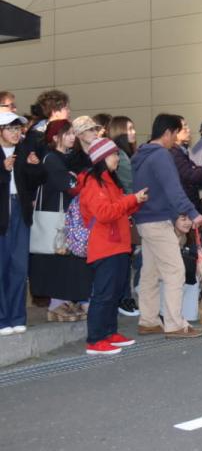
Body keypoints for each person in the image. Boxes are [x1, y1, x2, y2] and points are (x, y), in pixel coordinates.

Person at [131, 114, 202, 338]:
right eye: (175, 133)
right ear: (167, 132)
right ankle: (175, 324)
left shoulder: (141, 155)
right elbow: (173, 189)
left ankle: (148, 320)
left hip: (145, 219)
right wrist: (193, 213)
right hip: (158, 220)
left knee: (150, 272)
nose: (176, 138)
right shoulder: (161, 156)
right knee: (175, 271)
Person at [78, 138, 148, 354]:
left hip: (117, 245)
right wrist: (131, 200)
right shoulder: (93, 182)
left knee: (114, 292)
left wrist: (135, 202)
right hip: (104, 246)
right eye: (113, 155)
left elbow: (118, 210)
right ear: (101, 158)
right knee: (104, 294)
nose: (117, 158)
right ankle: (95, 339)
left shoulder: (109, 180)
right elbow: (104, 213)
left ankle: (109, 333)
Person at [29, 119, 90, 323]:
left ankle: (64, 301)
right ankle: (57, 303)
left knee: (66, 261)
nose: (73, 137)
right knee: (57, 260)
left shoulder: (68, 158)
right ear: (55, 137)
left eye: (74, 133)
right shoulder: (51, 159)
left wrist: (75, 177)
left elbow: (75, 180)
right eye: (68, 133)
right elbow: (68, 183)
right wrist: (76, 178)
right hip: (56, 217)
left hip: (66, 217)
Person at [0, 112, 31, 335]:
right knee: (2, 267)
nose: (15, 133)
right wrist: (4, 169)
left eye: (17, 128)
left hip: (20, 210)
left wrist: (34, 166)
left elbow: (39, 180)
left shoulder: (24, 151)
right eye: (10, 128)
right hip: (2, 213)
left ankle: (18, 316)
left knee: (19, 266)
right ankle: (2, 318)